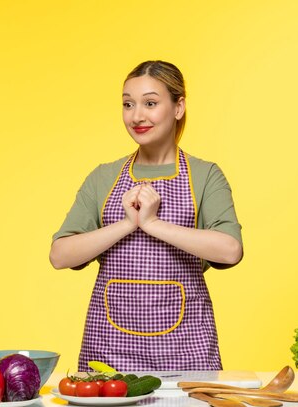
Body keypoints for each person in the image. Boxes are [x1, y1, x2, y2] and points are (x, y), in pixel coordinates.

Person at [49, 60, 243, 372]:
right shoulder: (104, 177)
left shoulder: (205, 176)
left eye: (150, 103)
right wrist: (127, 224)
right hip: (109, 356)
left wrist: (153, 224)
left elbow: (230, 249)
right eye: (128, 104)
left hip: (186, 353)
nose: (137, 116)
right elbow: (60, 255)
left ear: (178, 107)